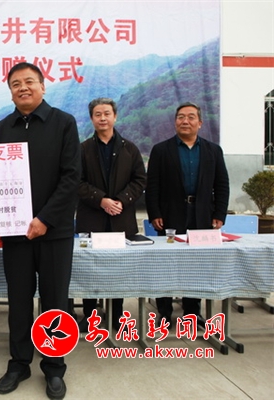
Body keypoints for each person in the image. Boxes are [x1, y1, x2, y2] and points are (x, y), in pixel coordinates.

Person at [0, 62, 81, 400]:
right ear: (10, 91)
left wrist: (44, 218)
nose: (23, 88)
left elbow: (71, 177)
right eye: (16, 84)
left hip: (54, 232)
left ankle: (54, 367)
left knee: (55, 301)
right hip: (16, 234)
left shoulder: (63, 123)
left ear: (43, 86)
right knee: (18, 301)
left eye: (29, 81)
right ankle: (19, 363)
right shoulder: (1, 129)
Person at [145, 102, 230, 327]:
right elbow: (152, 186)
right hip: (170, 215)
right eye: (181, 117)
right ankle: (164, 311)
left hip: (202, 215)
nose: (185, 121)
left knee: (197, 264)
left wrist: (219, 213)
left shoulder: (213, 151)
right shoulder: (161, 150)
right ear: (175, 122)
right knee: (166, 263)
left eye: (191, 117)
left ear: (200, 123)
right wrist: (154, 213)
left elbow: (222, 184)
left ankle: (192, 311)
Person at [75, 98, 147, 333]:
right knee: (90, 268)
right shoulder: (83, 149)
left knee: (117, 269)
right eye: (98, 114)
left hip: (120, 218)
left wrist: (121, 200)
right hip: (92, 217)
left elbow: (140, 180)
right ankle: (90, 315)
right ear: (92, 118)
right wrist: (101, 200)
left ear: (115, 116)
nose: (103, 118)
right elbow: (76, 181)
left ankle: (116, 315)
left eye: (107, 113)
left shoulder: (130, 149)